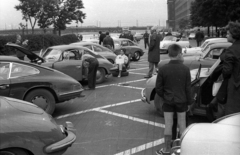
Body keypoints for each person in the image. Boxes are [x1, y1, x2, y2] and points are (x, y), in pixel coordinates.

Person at [155, 44, 192, 155]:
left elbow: (158, 88)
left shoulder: (163, 69)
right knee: (182, 124)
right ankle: (182, 149)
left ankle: (166, 149)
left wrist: (165, 96)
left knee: (168, 124)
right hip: (182, 100)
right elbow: (188, 88)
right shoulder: (185, 69)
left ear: (169, 54)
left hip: (168, 101)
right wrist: (189, 102)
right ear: (179, 54)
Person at [222, 21, 240, 115]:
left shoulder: (231, 50)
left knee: (232, 117)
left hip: (235, 88)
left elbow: (227, 71)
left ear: (234, 34)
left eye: (228, 33)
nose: (226, 35)